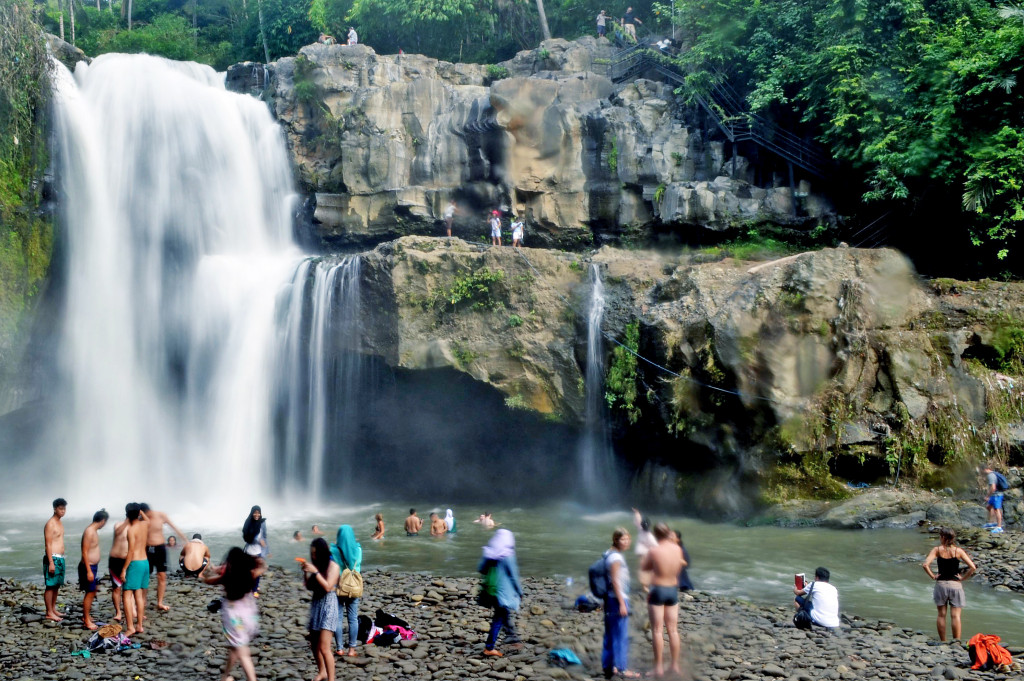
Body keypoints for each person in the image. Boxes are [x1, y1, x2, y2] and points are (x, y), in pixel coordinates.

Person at [203, 547, 267, 681]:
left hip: (234, 619)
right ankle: (225, 676)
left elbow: (207, 579)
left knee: (242, 652)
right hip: (249, 615)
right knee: (235, 647)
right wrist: (254, 559)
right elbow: (263, 566)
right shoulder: (251, 574)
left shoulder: (226, 578)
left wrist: (211, 570)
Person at [642, 524, 686, 678]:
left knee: (657, 630)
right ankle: (675, 665)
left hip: (658, 590)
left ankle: (659, 667)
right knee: (673, 630)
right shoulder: (677, 549)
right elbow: (678, 568)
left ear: (655, 535)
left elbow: (645, 567)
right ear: (668, 533)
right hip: (672, 590)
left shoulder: (654, 550)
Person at [922, 528, 977, 642]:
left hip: (941, 585)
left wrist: (933, 576)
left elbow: (925, 565)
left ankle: (943, 641)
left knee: (941, 615)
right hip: (955, 585)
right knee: (956, 616)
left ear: (943, 537)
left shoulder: (937, 550)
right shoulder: (958, 551)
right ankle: (956, 641)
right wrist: (963, 578)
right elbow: (973, 567)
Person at [478, 529, 524, 657]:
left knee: (503, 614)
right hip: (503, 593)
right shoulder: (508, 555)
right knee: (499, 617)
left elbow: (481, 569)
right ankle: (489, 647)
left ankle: (511, 636)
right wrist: (520, 591)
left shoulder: (489, 553)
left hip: (490, 590)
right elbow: (514, 576)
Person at [601, 528, 637, 679]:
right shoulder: (616, 557)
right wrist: (622, 603)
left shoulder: (607, 554)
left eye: (628, 539)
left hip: (610, 598)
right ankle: (622, 668)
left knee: (610, 634)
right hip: (617, 599)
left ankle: (609, 666)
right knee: (621, 635)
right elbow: (615, 581)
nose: (627, 542)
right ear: (615, 540)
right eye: (623, 539)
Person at [303, 538, 340, 681]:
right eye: (311, 553)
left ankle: (331, 679)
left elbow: (328, 587)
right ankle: (322, 672)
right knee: (314, 645)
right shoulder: (317, 565)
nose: (313, 556)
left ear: (322, 552)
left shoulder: (333, 566)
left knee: (324, 647)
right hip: (316, 604)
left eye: (315, 553)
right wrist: (306, 573)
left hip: (329, 605)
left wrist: (316, 572)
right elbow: (309, 586)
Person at [140, 503, 185, 612]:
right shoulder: (141, 519)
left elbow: (173, 527)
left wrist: (184, 539)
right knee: (145, 575)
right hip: (147, 549)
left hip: (160, 548)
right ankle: (142, 601)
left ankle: (160, 602)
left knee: (162, 576)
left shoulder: (160, 515)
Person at [331, 525, 362, 657]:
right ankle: (352, 650)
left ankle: (339, 649)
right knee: (353, 619)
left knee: (338, 618)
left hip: (337, 586)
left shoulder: (333, 550)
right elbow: (359, 565)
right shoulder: (358, 549)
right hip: (353, 586)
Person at [120, 503, 150, 637]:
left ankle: (130, 627)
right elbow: (148, 520)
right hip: (145, 562)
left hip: (135, 563)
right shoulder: (145, 524)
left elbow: (131, 551)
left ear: (127, 514)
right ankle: (140, 625)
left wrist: (124, 569)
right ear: (138, 513)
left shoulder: (131, 530)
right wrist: (141, 511)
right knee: (138, 594)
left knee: (126, 595)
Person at [78, 509, 109, 630]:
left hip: (92, 566)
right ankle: (86, 620)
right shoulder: (89, 531)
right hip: (88, 566)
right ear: (103, 521)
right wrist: (89, 571)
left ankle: (86, 616)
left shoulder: (93, 531)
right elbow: (84, 552)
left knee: (92, 590)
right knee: (90, 592)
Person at [42, 498, 67, 622]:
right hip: (53, 558)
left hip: (60, 558)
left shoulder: (60, 522)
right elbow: (48, 544)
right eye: (60, 509)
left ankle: (53, 609)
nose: (63, 511)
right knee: (50, 586)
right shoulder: (50, 524)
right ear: (55, 509)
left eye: (64, 509)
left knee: (56, 585)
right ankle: (49, 612)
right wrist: (51, 562)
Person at [108, 508, 130, 622]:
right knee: (116, 588)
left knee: (129, 587)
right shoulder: (118, 525)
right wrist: (127, 521)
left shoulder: (136, 527)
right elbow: (118, 532)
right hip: (115, 559)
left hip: (128, 560)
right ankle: (118, 612)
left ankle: (131, 610)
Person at [243, 506, 269, 596]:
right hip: (249, 551)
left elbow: (264, 536)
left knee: (258, 570)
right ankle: (250, 586)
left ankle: (255, 589)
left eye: (258, 513)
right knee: (249, 571)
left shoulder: (262, 523)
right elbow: (246, 538)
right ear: (252, 513)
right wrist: (257, 540)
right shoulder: (248, 522)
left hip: (258, 551)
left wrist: (267, 550)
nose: (257, 515)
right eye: (255, 512)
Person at [632, 508, 657, 588]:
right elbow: (656, 546)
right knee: (648, 569)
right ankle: (646, 584)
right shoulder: (650, 536)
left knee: (642, 568)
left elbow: (638, 521)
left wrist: (637, 513)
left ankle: (644, 585)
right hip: (647, 553)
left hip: (640, 552)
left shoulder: (640, 529)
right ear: (650, 526)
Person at [982, 465, 1004, 533]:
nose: (983, 472)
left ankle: (999, 527)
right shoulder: (994, 474)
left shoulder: (991, 475)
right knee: (989, 507)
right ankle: (993, 523)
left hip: (996, 495)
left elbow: (993, 487)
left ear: (985, 469)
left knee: (997, 510)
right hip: (994, 495)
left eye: (982, 471)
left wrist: (988, 496)